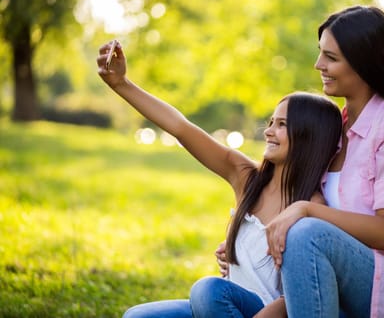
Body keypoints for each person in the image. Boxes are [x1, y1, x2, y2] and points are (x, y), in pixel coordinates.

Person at [217, 6, 384, 317]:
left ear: (365, 63)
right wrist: (243, 245)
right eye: (321, 53)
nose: (319, 64)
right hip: (342, 288)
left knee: (306, 233)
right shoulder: (335, 127)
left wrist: (305, 210)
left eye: (331, 58)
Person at [96, 41, 343, 318]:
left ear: (310, 136)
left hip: (264, 313)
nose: (269, 131)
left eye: (282, 125)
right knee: (137, 316)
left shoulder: (312, 208)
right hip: (223, 307)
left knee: (207, 290)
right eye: (271, 122)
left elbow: (302, 294)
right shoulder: (247, 177)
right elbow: (181, 128)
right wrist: (121, 84)